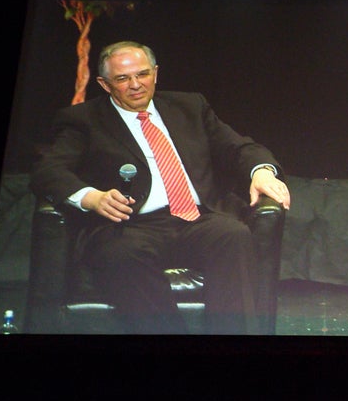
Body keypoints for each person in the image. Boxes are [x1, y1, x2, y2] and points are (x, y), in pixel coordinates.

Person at [30, 40, 291, 335]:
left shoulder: (190, 106)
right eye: (122, 78)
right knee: (122, 254)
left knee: (234, 234)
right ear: (104, 84)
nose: (135, 85)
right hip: (128, 225)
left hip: (197, 218)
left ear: (155, 73)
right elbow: (48, 171)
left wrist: (262, 172)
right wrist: (91, 198)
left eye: (142, 74)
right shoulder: (83, 120)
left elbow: (239, 147)